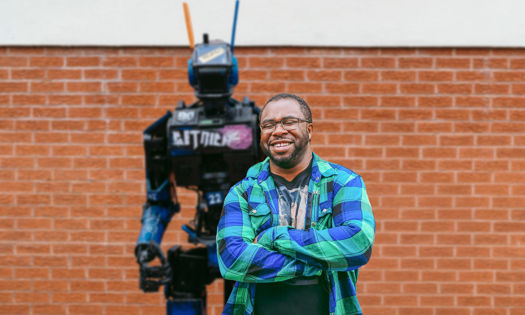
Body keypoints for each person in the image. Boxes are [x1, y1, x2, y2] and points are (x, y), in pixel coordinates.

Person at [216, 93, 375, 315]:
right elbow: (232, 258)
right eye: (268, 125)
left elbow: (357, 243)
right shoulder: (242, 192)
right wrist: (315, 264)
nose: (278, 130)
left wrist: (272, 237)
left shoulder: (343, 183)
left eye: (289, 122)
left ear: (309, 130)